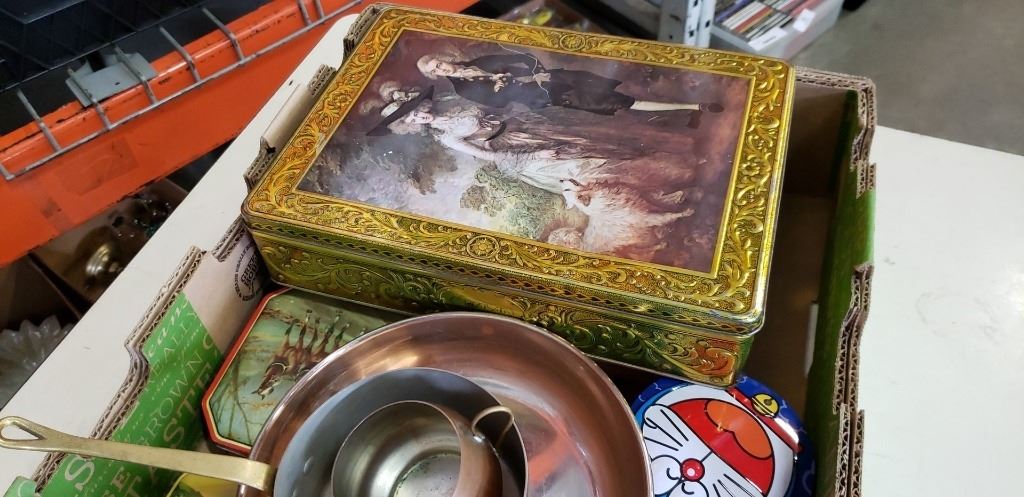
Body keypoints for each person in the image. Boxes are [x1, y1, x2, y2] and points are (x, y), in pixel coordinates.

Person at [367, 86, 607, 195]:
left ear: (421, 104)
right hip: (513, 147)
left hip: (522, 123)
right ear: (411, 125)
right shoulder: (447, 137)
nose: (420, 116)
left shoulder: (449, 102)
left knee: (589, 137)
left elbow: (492, 103)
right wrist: (536, 155)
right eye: (412, 118)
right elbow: (490, 156)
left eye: (416, 110)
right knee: (579, 163)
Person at [417, 52, 723, 125]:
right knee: (623, 103)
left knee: (620, 88)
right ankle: (695, 107)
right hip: (554, 95)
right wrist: (500, 87)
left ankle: (690, 104)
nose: (442, 69)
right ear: (435, 76)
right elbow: (499, 104)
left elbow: (524, 57)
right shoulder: (463, 89)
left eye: (440, 63)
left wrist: (538, 70)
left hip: (559, 78)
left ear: (445, 59)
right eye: (436, 70)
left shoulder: (481, 60)